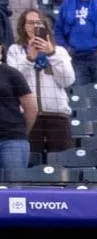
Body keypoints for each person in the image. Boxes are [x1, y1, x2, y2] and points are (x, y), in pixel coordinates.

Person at [7, 8, 75, 153]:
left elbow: (67, 81)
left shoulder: (59, 51)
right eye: (30, 23)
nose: (35, 27)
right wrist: (29, 58)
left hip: (57, 116)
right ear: (23, 27)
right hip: (28, 116)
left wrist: (52, 54)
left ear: (45, 26)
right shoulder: (15, 50)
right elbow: (13, 82)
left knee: (59, 165)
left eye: (38, 23)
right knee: (32, 164)